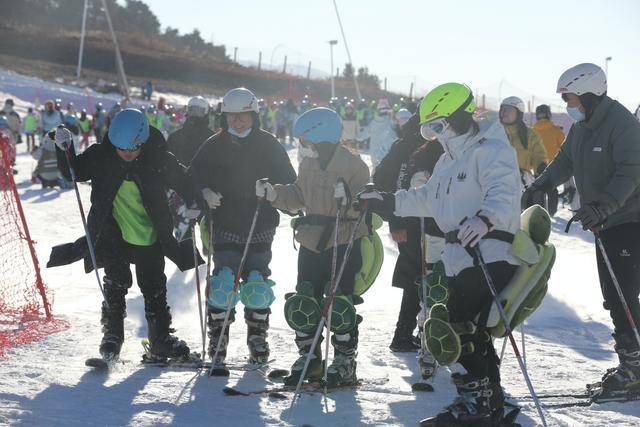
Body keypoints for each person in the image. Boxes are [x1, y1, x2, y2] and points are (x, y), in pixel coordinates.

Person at [358, 83, 522, 426]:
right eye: (428, 128)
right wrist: (389, 201)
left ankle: (476, 403)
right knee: (471, 329)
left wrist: (486, 218)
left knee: (459, 326)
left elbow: (504, 190)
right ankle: (491, 400)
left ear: (460, 116)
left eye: (439, 125)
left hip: (488, 250)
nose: (435, 134)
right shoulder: (449, 158)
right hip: (457, 253)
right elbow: (426, 198)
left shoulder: (490, 148)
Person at [48, 109, 202, 362]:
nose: (127, 154)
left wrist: (196, 199)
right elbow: (73, 172)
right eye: (121, 149)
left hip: (151, 233)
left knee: (154, 286)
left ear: (143, 141)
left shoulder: (158, 157)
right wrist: (65, 148)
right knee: (116, 282)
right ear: (112, 142)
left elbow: (184, 180)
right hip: (112, 231)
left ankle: (160, 340)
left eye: (133, 149)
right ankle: (112, 336)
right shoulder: (101, 155)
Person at [524, 63, 640, 396]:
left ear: (589, 94)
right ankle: (631, 362)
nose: (567, 106)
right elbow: (565, 160)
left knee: (623, 295)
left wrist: (604, 205)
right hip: (604, 221)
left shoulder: (622, 125)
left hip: (628, 221)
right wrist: (540, 185)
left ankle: (634, 370)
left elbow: (631, 172)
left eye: (571, 98)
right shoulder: (584, 125)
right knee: (614, 296)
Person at [257, 107, 369, 386]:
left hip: (343, 240)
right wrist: (274, 193)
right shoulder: (307, 163)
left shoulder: (355, 166)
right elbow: (297, 196)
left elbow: (366, 205)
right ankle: (309, 357)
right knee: (305, 298)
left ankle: (345, 360)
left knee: (339, 302)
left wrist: (351, 200)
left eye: (304, 142)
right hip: (311, 241)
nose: (301, 147)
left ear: (321, 138)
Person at [190, 87, 296, 366]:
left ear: (254, 115)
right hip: (223, 222)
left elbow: (289, 180)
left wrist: (272, 190)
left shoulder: (270, 144)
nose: (237, 122)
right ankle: (218, 338)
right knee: (224, 282)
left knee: (257, 283)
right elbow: (193, 176)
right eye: (232, 117)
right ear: (224, 117)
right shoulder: (214, 144)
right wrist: (204, 192)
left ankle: (257, 337)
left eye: (243, 116)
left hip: (260, 223)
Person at [373, 111, 444, 354]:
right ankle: (406, 334)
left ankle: (411, 333)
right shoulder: (406, 147)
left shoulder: (435, 144)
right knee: (419, 276)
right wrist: (395, 221)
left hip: (428, 221)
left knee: (420, 275)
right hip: (412, 222)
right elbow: (386, 181)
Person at [499, 96, 547, 208]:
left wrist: (541, 168)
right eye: (502, 109)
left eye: (509, 109)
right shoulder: (493, 132)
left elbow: (538, 156)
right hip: (496, 179)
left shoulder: (529, 135)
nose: (504, 112)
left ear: (518, 113)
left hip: (520, 181)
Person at [533, 104, 566, 215]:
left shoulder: (532, 131)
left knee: (539, 190)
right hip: (553, 166)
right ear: (549, 115)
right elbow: (565, 148)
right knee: (552, 190)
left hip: (537, 166)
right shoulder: (556, 131)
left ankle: (541, 213)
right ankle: (552, 212)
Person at [167, 96, 214, 167]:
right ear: (187, 111)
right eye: (192, 110)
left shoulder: (212, 138)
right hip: (178, 176)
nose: (195, 114)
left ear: (205, 113)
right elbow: (167, 161)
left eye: (199, 111)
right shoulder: (175, 137)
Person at [366, 98, 399, 170]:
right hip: (388, 157)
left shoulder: (373, 123)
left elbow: (361, 135)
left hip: (374, 157)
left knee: (375, 177)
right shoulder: (392, 123)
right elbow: (396, 137)